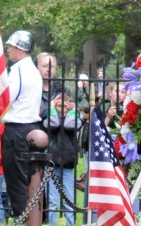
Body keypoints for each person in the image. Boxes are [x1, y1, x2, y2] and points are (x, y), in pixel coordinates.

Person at [0, 30, 43, 218]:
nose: (8, 50)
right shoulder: (33, 70)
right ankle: (32, 216)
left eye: (11, 46)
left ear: (19, 48)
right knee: (29, 177)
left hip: (17, 128)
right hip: (31, 127)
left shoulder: (18, 70)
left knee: (16, 178)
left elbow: (7, 98)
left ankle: (21, 216)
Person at [44, 91, 80, 226]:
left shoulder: (74, 117)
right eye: (60, 106)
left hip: (68, 165)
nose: (63, 109)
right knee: (52, 200)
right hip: (52, 163)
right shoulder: (50, 116)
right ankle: (52, 223)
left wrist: (73, 112)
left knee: (69, 199)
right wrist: (52, 108)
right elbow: (53, 124)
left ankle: (70, 223)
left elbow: (69, 125)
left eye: (66, 106)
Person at [37, 52, 64, 124]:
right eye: (45, 66)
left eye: (51, 67)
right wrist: (53, 108)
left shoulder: (63, 89)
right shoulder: (31, 88)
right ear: (38, 67)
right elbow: (31, 113)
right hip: (37, 130)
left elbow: (69, 112)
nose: (48, 69)